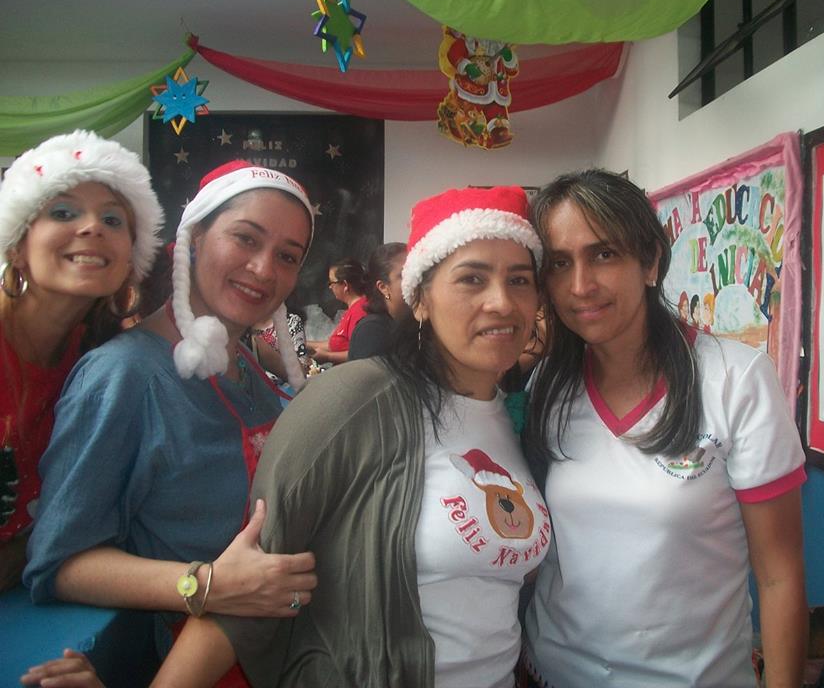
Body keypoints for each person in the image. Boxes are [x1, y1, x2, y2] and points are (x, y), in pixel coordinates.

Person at [150, 185, 550, 688]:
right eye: (472, 278)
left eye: (519, 280)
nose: (502, 302)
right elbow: (251, 583)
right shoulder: (353, 401)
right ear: (420, 300)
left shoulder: (519, 417)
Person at [23, 161, 319, 663]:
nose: (264, 269)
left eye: (287, 256)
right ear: (195, 237)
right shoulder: (122, 376)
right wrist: (207, 584)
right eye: (245, 239)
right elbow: (59, 564)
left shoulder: (245, 365)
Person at [522, 169, 807, 688]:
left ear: (650, 261)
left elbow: (779, 574)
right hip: (554, 671)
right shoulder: (549, 384)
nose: (580, 285)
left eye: (604, 254)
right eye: (560, 263)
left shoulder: (735, 378)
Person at [0, 130, 164, 592]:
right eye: (63, 212)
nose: (93, 228)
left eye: (113, 219)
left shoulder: (107, 366)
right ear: (17, 246)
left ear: (129, 259)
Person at [347, 242, 408, 360]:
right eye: (403, 275)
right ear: (383, 287)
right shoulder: (372, 331)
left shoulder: (413, 324)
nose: (413, 279)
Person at [306, 257, 367, 364]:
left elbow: (360, 354)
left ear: (345, 285)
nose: (330, 287)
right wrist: (303, 344)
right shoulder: (352, 309)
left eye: (331, 282)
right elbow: (336, 345)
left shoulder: (360, 311)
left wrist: (328, 357)